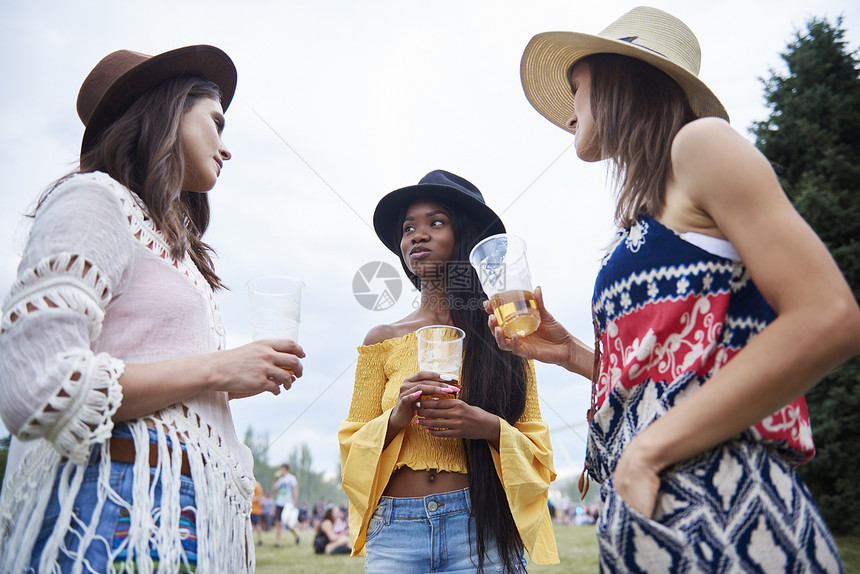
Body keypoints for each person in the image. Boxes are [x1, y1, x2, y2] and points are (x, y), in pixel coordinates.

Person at [502, 6, 860, 571]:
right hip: (656, 512)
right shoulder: (647, 214)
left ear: (619, 78)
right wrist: (571, 353)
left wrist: (648, 452)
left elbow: (830, 315)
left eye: (577, 85)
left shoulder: (701, 145)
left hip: (723, 500)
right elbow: (677, 375)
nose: (571, 107)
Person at [0, 45, 305, 573]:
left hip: (177, 512)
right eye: (216, 121)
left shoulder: (174, 249)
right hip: (117, 504)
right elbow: (37, 380)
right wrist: (219, 367)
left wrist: (226, 376)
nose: (226, 148)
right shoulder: (96, 200)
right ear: (166, 110)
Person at [339, 170, 557, 573]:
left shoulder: (504, 334)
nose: (416, 236)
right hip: (395, 532)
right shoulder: (381, 339)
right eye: (408, 228)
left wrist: (488, 426)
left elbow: (537, 448)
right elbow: (353, 445)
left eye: (435, 223)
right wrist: (398, 415)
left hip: (481, 529)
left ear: (466, 237)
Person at [272, 463, 302, 546]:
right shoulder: (280, 479)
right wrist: (274, 479)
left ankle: (297, 536)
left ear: (285, 469)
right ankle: (278, 541)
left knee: (288, 523)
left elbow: (295, 489)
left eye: (281, 469)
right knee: (278, 522)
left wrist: (294, 502)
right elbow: (274, 490)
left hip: (288, 504)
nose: (280, 471)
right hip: (279, 503)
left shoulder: (291, 478)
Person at [252, 479, 265, 546]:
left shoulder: (257, 485)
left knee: (257, 525)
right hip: (249, 509)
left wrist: (253, 499)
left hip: (255, 510)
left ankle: (260, 540)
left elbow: (261, 495)